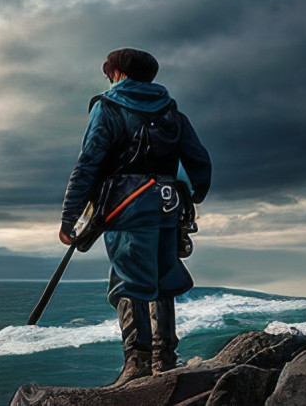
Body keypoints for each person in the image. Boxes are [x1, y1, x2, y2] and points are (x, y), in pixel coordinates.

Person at [59, 48, 211, 384]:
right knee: (162, 280)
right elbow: (199, 160)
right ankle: (166, 359)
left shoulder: (108, 106)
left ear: (116, 73)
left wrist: (70, 217)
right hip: (169, 205)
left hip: (127, 205)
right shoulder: (173, 112)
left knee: (130, 282)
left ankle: (137, 364)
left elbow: (88, 162)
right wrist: (194, 193)